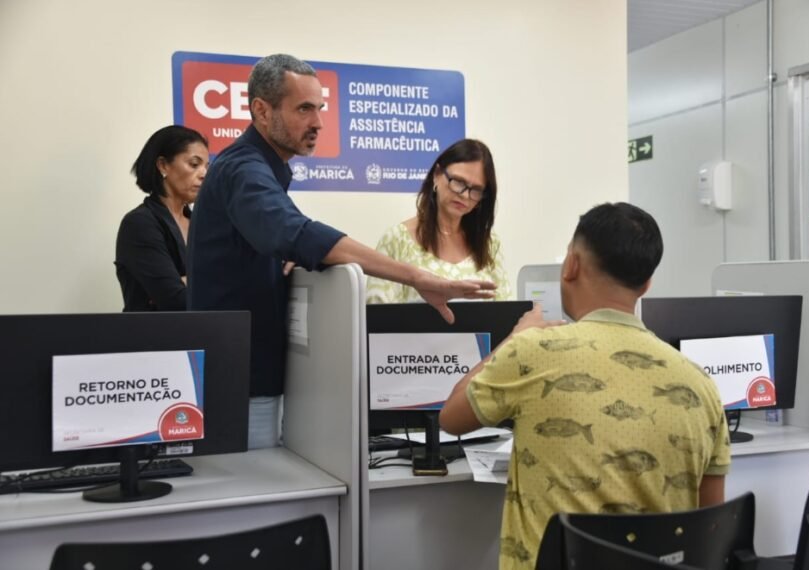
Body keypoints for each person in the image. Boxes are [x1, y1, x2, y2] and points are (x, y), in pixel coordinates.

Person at [187, 54, 495, 450]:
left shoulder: (263, 171)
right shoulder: (244, 170)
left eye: (320, 109)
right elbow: (297, 232)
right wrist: (418, 276)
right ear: (261, 111)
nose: (317, 123)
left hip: (256, 377)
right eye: (303, 109)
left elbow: (283, 237)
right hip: (240, 384)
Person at [440, 202, 731, 570]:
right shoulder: (701, 384)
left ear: (571, 265)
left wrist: (512, 340)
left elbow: (450, 418)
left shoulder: (533, 351)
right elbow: (709, 527)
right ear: (646, 284)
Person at [366, 139, 511, 303]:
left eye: (476, 190)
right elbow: (377, 315)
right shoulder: (398, 239)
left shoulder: (489, 244)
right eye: (458, 182)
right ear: (437, 175)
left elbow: (504, 311)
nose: (464, 195)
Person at [115, 126, 209, 311]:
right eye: (194, 164)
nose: (204, 174)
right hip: (155, 338)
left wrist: (189, 281)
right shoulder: (139, 224)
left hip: (201, 336)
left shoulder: (203, 225)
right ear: (163, 165)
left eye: (207, 166)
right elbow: (175, 299)